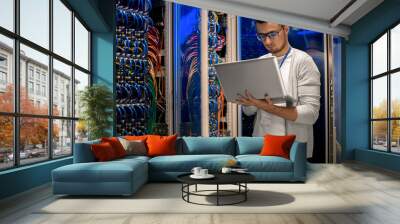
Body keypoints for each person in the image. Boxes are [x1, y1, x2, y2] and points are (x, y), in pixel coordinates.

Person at [236, 20, 321, 158]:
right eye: (262, 36)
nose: (267, 42)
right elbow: (249, 112)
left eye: (272, 34)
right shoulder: (260, 61)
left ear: (286, 28)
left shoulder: (303, 61)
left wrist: (267, 106)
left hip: (291, 148)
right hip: (262, 144)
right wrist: (249, 102)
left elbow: (311, 114)